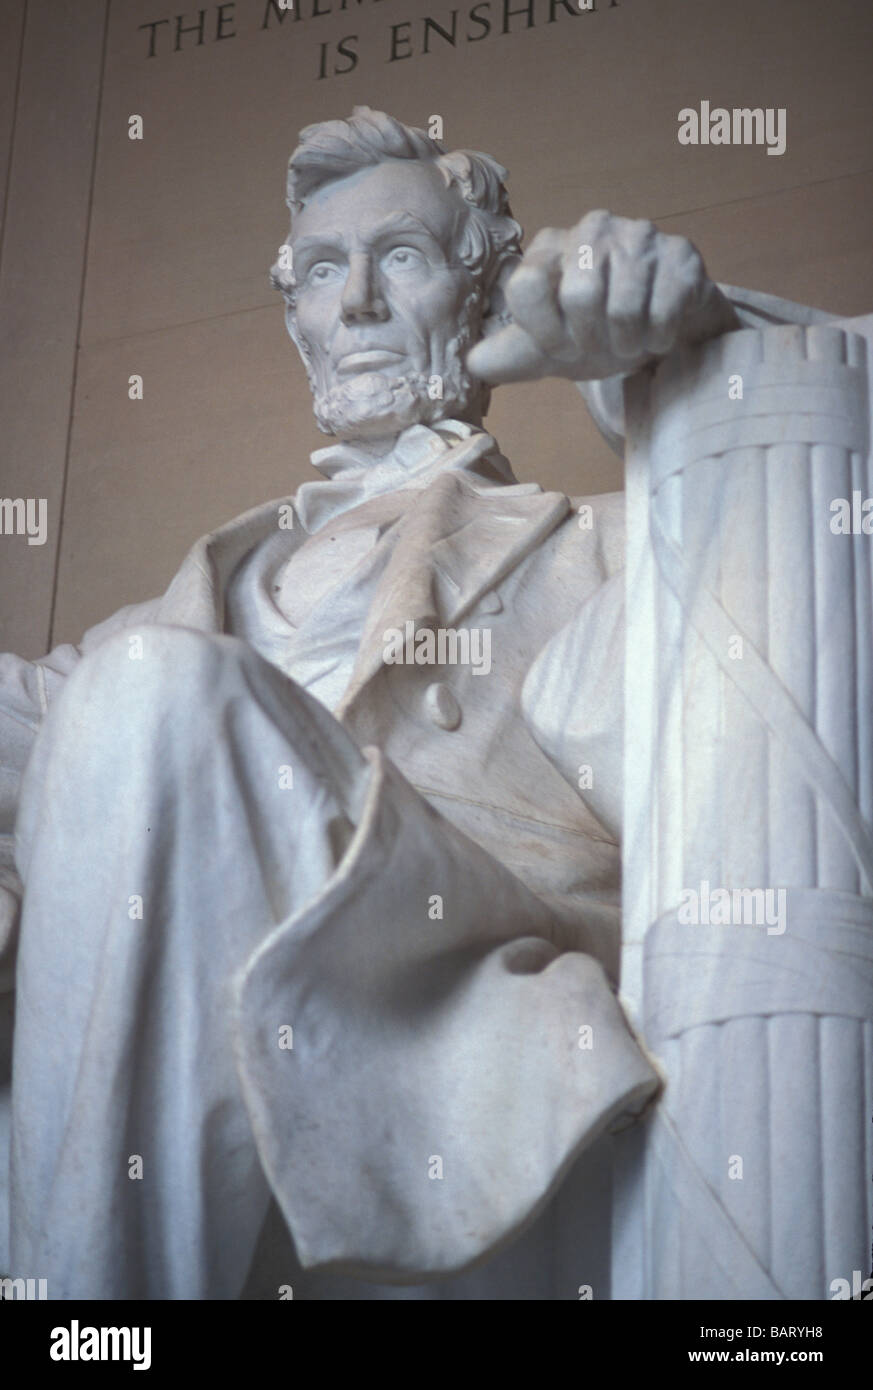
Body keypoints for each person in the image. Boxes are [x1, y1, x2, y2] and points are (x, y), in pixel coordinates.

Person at [0, 107, 827, 1299]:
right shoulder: (183, 607)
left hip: (445, 1040)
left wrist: (689, 351)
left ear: (482, 292)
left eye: (401, 258)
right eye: (324, 271)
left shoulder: (597, 547)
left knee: (147, 699)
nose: (359, 306)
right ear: (296, 318)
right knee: (135, 696)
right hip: (186, 1023)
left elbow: (810, 524)